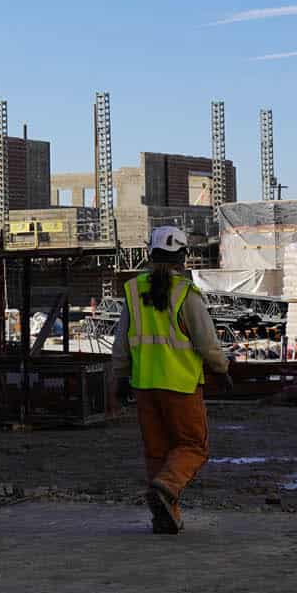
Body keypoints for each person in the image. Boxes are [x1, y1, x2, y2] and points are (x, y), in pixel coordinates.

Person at [110, 226, 232, 534]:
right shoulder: (186, 294)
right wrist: (221, 369)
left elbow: (121, 342)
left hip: (144, 386)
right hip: (180, 386)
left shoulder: (133, 291)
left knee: (158, 453)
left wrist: (120, 376)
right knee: (193, 447)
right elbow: (207, 342)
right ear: (183, 257)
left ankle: (166, 516)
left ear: (150, 254)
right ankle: (166, 488)